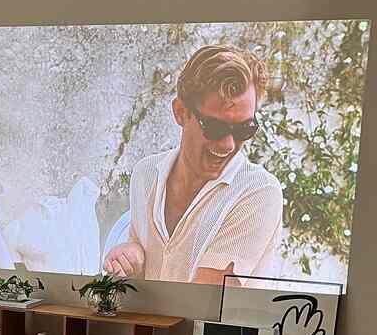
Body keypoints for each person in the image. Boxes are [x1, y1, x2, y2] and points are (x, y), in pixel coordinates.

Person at [103, 44, 283, 284]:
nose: (229, 144)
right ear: (180, 112)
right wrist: (133, 257)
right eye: (215, 127)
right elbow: (143, 249)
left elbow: (204, 303)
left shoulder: (259, 193)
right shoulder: (145, 173)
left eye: (244, 129)